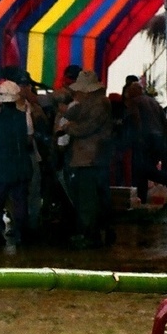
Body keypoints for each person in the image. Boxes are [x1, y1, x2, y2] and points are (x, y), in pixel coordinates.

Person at [58, 70, 114, 247]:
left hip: (90, 158)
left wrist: (68, 127)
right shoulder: (95, 103)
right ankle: (98, 232)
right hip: (92, 157)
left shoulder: (98, 105)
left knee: (88, 199)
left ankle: (90, 235)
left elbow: (87, 127)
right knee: (93, 197)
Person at [0, 80, 33, 246]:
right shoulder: (25, 116)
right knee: (20, 202)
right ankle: (23, 236)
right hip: (21, 165)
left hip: (0, 167)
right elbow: (28, 139)